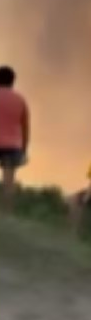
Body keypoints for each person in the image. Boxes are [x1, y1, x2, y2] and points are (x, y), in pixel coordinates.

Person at [0, 66, 29, 215]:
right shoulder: (20, 100)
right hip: (13, 146)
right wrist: (24, 150)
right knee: (8, 183)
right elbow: (25, 128)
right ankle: (7, 213)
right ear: (13, 81)